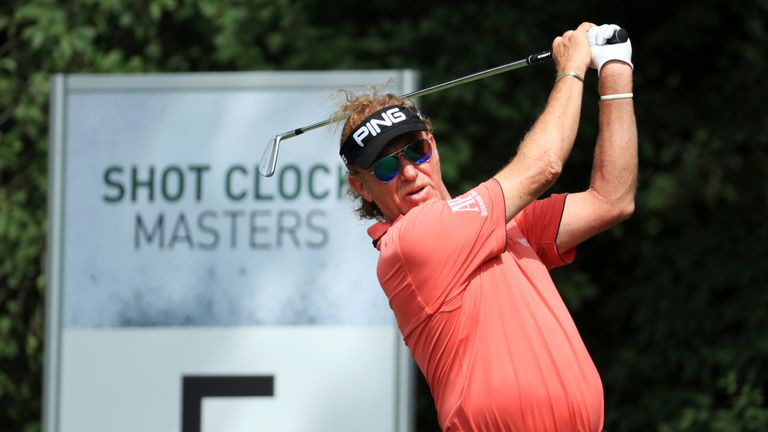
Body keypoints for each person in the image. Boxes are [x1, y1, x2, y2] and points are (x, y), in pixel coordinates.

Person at [335, 22, 636, 431]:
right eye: (386, 166)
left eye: (416, 151)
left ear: (433, 146)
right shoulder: (410, 241)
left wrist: (616, 67)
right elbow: (541, 167)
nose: (408, 172)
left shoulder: (505, 224)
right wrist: (573, 68)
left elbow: (612, 200)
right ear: (361, 187)